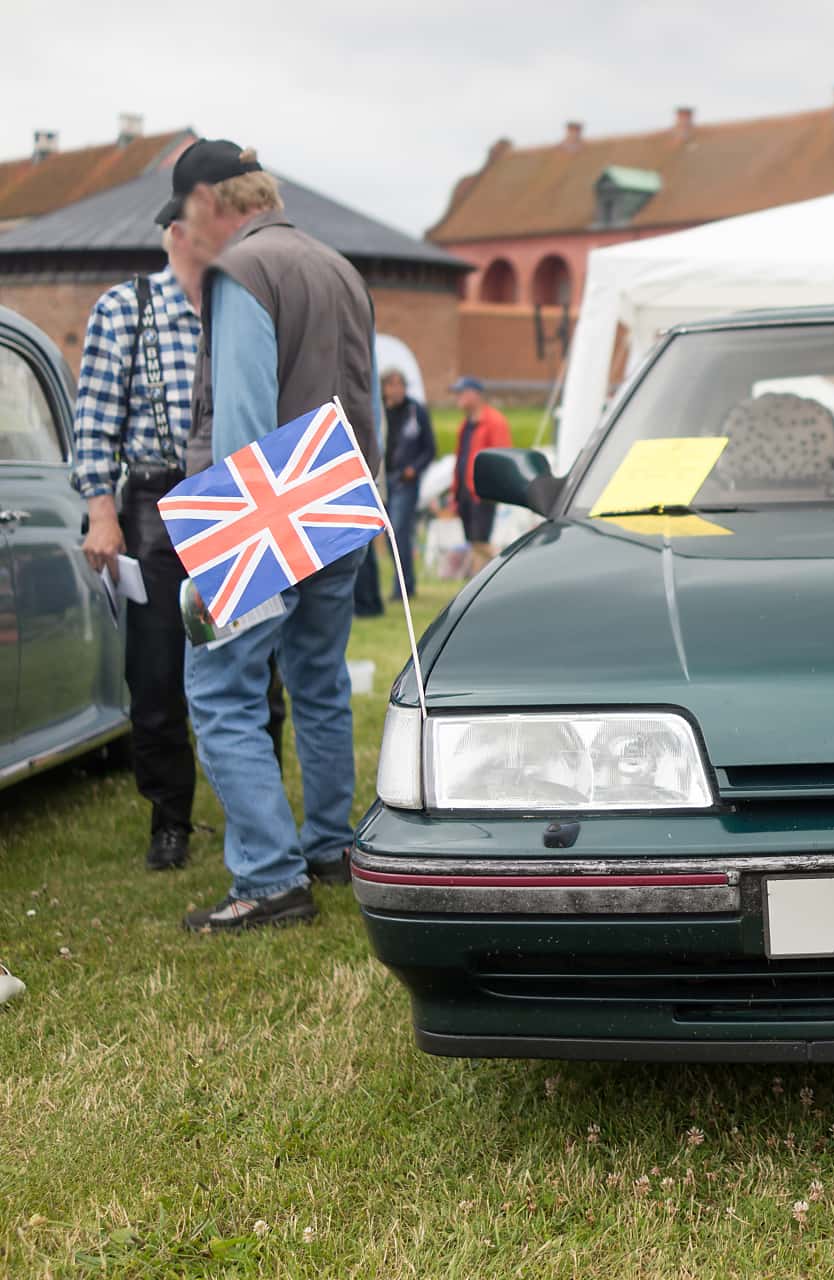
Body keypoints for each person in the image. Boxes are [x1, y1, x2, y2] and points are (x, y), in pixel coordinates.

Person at [166, 138, 382, 932]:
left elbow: (244, 421)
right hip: (339, 499)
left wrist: (229, 550)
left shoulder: (242, 271)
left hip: (266, 508)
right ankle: (329, 845)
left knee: (220, 693)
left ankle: (267, 877)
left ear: (216, 205)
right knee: (319, 682)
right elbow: (369, 405)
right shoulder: (340, 268)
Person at [70, 225, 203, 870]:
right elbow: (93, 425)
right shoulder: (126, 307)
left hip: (234, 497)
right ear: (178, 231)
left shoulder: (243, 305)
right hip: (153, 501)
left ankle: (253, 813)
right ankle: (169, 818)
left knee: (256, 671)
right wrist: (102, 513)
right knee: (156, 672)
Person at [381, 368, 436, 597]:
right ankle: (405, 583)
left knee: (400, 532)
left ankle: (403, 587)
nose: (396, 389)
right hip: (385, 482)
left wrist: (415, 469)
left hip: (405, 482)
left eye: (400, 384)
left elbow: (430, 448)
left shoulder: (416, 412)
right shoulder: (381, 414)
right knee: (388, 536)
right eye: (391, 385)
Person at [449, 376, 510, 573]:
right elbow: (460, 459)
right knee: (474, 542)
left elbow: (502, 455)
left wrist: (493, 487)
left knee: (480, 541)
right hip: (465, 491)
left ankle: (505, 564)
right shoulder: (465, 425)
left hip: (482, 491)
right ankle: (478, 580)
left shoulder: (493, 422)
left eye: (461, 393)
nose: (457, 398)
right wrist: (455, 491)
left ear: (474, 395)